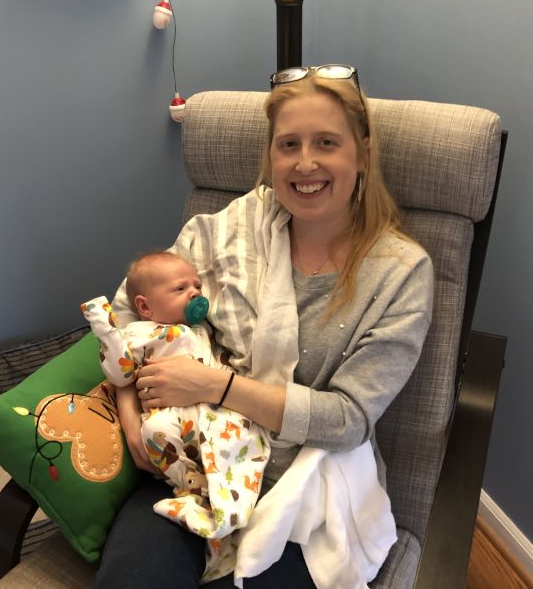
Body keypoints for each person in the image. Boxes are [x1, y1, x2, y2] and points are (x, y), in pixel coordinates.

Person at [96, 64, 434, 589]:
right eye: (288, 144)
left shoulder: (399, 273)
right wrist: (127, 407)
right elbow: (127, 317)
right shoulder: (229, 230)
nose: (305, 163)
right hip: (193, 463)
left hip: (302, 489)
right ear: (271, 156)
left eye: (326, 142)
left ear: (363, 153)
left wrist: (214, 384)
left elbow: (348, 419)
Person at [81, 251, 269, 581]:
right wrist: (106, 329)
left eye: (197, 286)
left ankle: (227, 489)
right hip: (172, 418)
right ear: (145, 307)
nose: (195, 293)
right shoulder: (139, 334)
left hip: (213, 411)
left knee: (242, 432)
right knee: (154, 429)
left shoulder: (202, 329)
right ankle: (193, 488)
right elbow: (121, 373)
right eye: (180, 289)